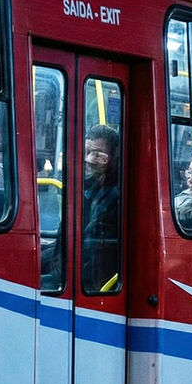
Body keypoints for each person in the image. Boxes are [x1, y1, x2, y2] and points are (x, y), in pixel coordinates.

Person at [82, 124, 120, 292]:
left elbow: (92, 246)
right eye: (87, 152)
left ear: (114, 156)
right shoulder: (90, 185)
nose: (89, 159)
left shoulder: (117, 193)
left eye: (98, 155)